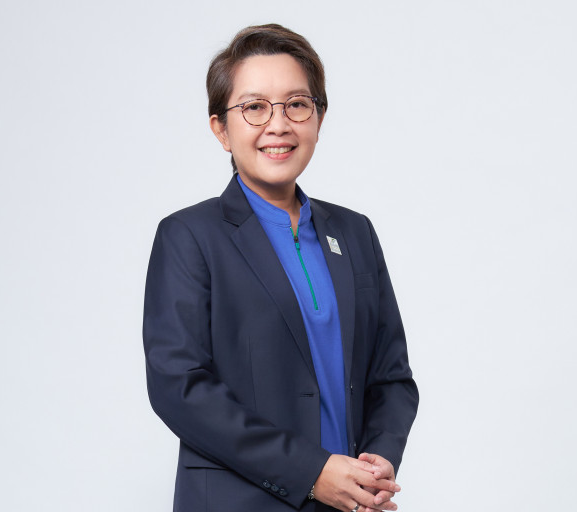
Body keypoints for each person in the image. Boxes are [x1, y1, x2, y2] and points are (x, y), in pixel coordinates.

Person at [143, 24, 419, 512]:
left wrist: (377, 462)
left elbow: (391, 376)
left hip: (351, 504)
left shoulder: (355, 232)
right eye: (254, 107)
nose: (278, 125)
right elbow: (179, 389)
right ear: (221, 129)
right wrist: (310, 472)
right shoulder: (189, 236)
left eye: (296, 104)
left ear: (319, 117)